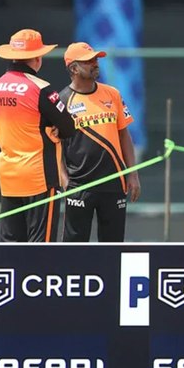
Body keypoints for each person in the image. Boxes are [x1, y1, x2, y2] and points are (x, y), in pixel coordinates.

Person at [0, 29, 75, 242]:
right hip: (39, 177)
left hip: (9, 175)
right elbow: (68, 126)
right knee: (40, 246)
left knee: (10, 243)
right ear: (37, 58)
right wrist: (53, 128)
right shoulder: (41, 88)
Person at [58, 42, 141, 242]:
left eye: (95, 59)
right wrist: (64, 181)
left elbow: (124, 135)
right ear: (74, 68)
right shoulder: (62, 100)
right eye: (88, 61)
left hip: (114, 184)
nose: (95, 63)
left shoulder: (113, 94)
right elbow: (55, 145)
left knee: (113, 246)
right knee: (75, 247)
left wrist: (132, 174)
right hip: (79, 185)